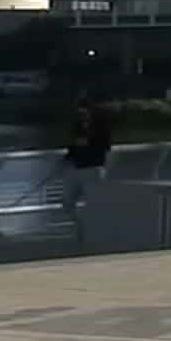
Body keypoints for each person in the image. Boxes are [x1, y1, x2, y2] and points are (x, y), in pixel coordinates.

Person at [63, 95, 113, 243]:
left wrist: (104, 168)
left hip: (93, 168)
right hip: (76, 168)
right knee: (66, 202)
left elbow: (106, 149)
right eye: (79, 111)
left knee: (93, 204)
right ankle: (80, 226)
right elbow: (73, 146)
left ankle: (92, 234)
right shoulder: (77, 126)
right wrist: (67, 158)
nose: (82, 114)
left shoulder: (101, 127)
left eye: (84, 111)